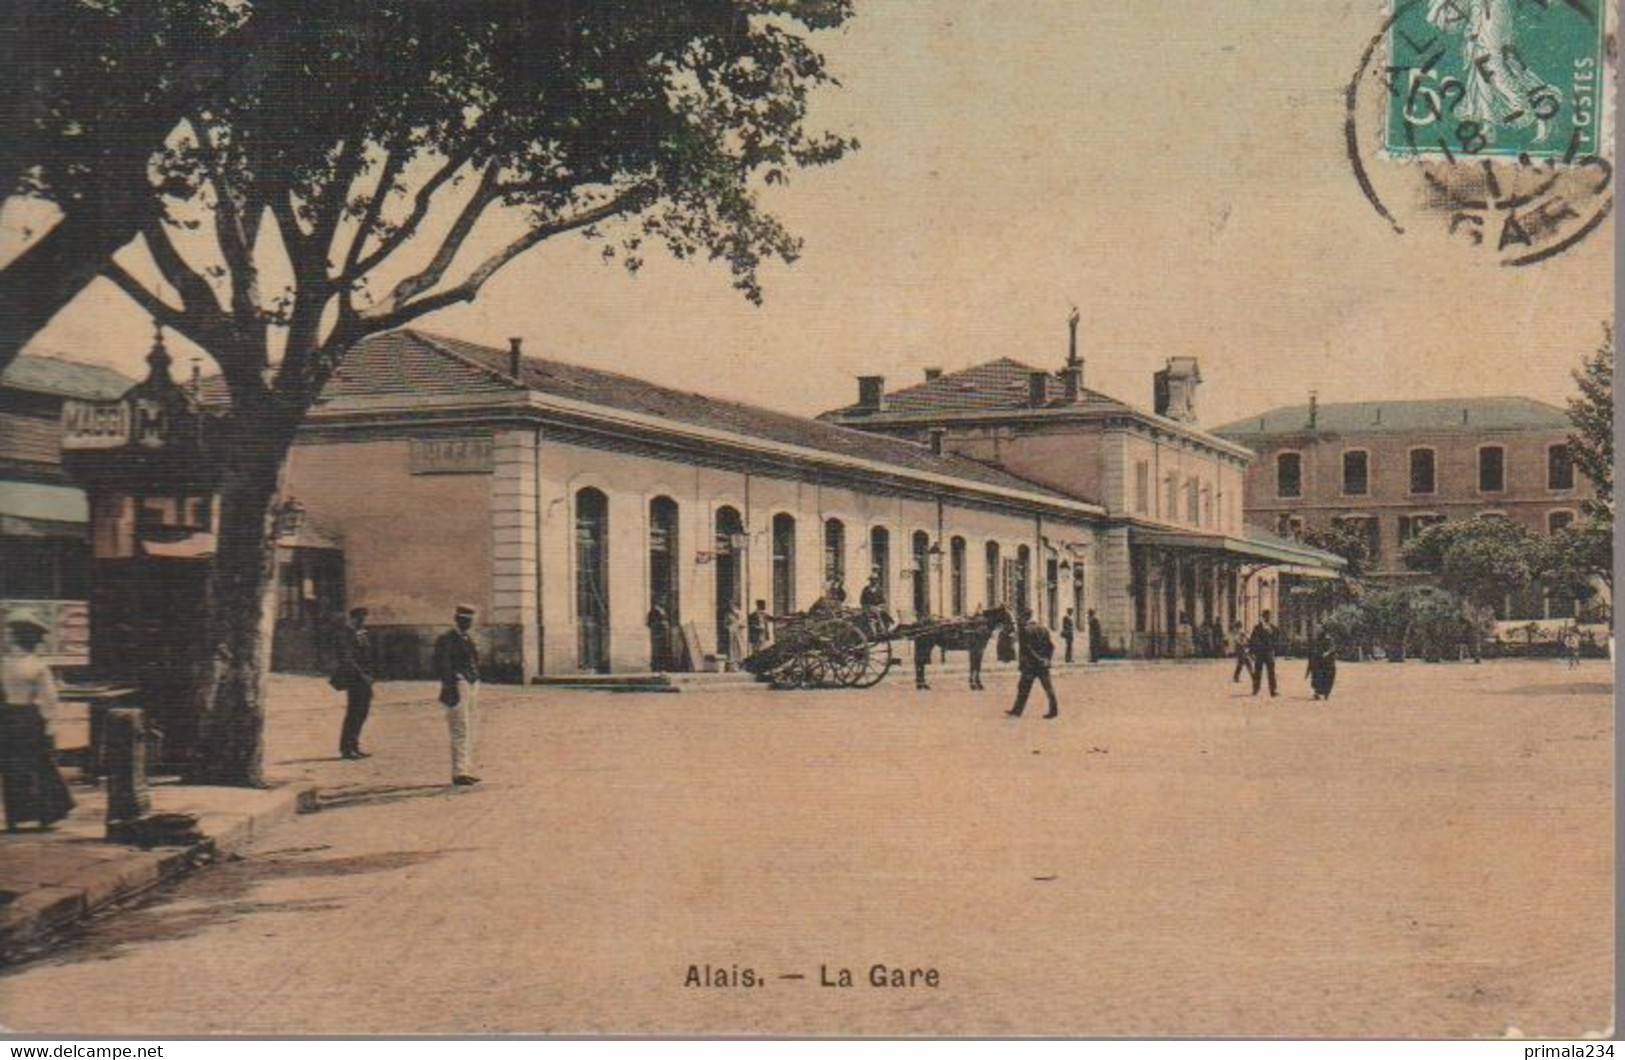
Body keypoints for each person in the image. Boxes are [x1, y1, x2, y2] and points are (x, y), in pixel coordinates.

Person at [1, 612, 74, 832]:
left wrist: (50, 725)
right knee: (11, 768)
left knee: (38, 766)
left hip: (29, 720)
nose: (7, 636)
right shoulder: (3, 663)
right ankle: (15, 816)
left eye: (12, 633)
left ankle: (46, 814)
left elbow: (49, 698)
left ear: (23, 637)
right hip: (6, 718)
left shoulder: (38, 666)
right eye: (8, 632)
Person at [432, 604, 482, 786]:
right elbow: (441, 665)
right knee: (460, 728)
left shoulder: (467, 638)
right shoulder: (447, 639)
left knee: (469, 728)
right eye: (463, 620)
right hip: (457, 686)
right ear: (456, 619)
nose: (467, 623)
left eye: (469, 620)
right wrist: (455, 679)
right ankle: (459, 772)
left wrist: (475, 678)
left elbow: (474, 660)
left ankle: (467, 769)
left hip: (471, 684)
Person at [334, 606, 375, 760]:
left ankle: (354, 745)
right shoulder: (347, 634)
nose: (363, 621)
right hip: (355, 678)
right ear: (353, 619)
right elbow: (347, 658)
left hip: (365, 678)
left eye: (364, 618)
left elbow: (368, 656)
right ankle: (346, 748)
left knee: (362, 713)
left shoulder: (363, 633)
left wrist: (370, 676)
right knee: (354, 713)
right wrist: (362, 675)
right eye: (360, 618)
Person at [1006, 610, 1059, 720]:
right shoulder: (1044, 629)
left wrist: (1038, 659)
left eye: (1022, 618)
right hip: (1043, 665)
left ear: (1026, 617)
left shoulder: (1026, 630)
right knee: (1048, 688)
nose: (1021, 620)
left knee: (1023, 688)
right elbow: (1051, 646)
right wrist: (1047, 659)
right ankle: (1053, 711)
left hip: (1030, 666)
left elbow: (1027, 649)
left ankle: (1017, 711)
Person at [1248, 610, 1280, 697]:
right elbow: (1252, 640)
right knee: (1258, 671)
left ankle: (1273, 691)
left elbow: (1277, 640)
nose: (1268, 618)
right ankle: (1255, 689)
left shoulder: (1273, 628)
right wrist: (1252, 652)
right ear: (1263, 617)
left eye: (1269, 616)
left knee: (1271, 672)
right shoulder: (1257, 628)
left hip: (1269, 652)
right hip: (1260, 653)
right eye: (1266, 616)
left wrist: (1275, 651)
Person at [1306, 628, 1338, 701]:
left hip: (1328, 662)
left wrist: (1327, 653)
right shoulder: (1316, 640)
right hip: (1319, 662)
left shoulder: (1329, 639)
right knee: (1318, 677)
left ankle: (1326, 693)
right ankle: (1317, 693)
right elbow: (1313, 649)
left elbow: (1332, 648)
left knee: (1328, 678)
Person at [722, 601, 746, 670]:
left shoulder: (740, 613)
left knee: (740, 648)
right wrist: (729, 627)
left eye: (733, 606)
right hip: (731, 633)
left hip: (738, 634)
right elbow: (725, 624)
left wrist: (739, 624)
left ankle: (740, 665)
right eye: (730, 606)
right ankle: (732, 666)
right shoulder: (728, 614)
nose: (732, 608)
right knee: (731, 649)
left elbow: (743, 624)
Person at [646, 602, 670, 672]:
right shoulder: (654, 612)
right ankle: (657, 668)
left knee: (662, 652)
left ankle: (660, 668)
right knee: (657, 652)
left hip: (662, 635)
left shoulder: (663, 610)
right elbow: (649, 623)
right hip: (657, 635)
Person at [1230, 618, 1251, 684]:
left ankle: (1236, 677)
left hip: (1240, 648)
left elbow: (1239, 640)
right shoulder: (1240, 632)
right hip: (1241, 648)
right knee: (1245, 662)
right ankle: (1252, 675)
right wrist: (1244, 643)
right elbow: (1240, 640)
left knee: (1242, 663)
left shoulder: (1237, 632)